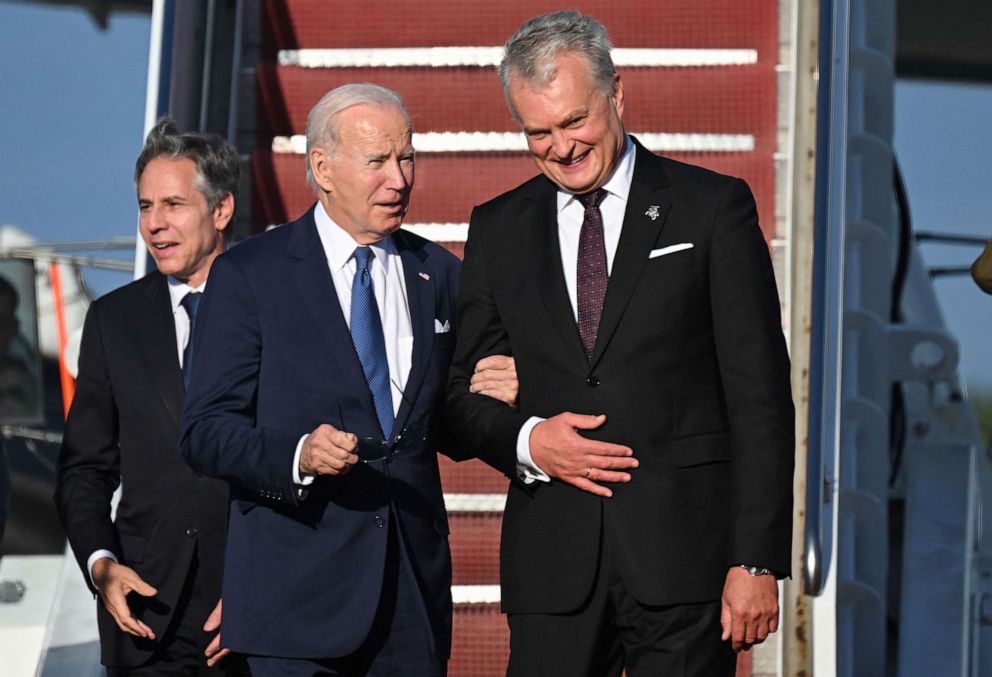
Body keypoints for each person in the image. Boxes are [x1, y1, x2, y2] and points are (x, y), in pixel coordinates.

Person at [445, 11, 795, 676]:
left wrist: (755, 558)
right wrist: (528, 439)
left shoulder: (712, 208)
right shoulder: (498, 228)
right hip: (553, 568)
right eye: (538, 132)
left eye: (574, 121)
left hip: (685, 562)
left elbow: (760, 396)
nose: (561, 146)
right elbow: (458, 402)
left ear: (617, 96)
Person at [179, 83, 516, 676]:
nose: (400, 179)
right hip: (294, 603)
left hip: (411, 598)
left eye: (407, 158)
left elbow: (444, 427)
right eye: (378, 161)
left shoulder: (439, 274)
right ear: (322, 168)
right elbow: (204, 432)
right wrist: (299, 455)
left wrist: (489, 398)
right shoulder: (249, 275)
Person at [55, 118, 245, 675]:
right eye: (144, 207)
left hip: (249, 618)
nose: (155, 225)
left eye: (173, 205)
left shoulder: (276, 310)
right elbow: (84, 469)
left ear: (222, 210)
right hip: (144, 618)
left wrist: (263, 587)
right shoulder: (114, 320)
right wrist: (101, 563)